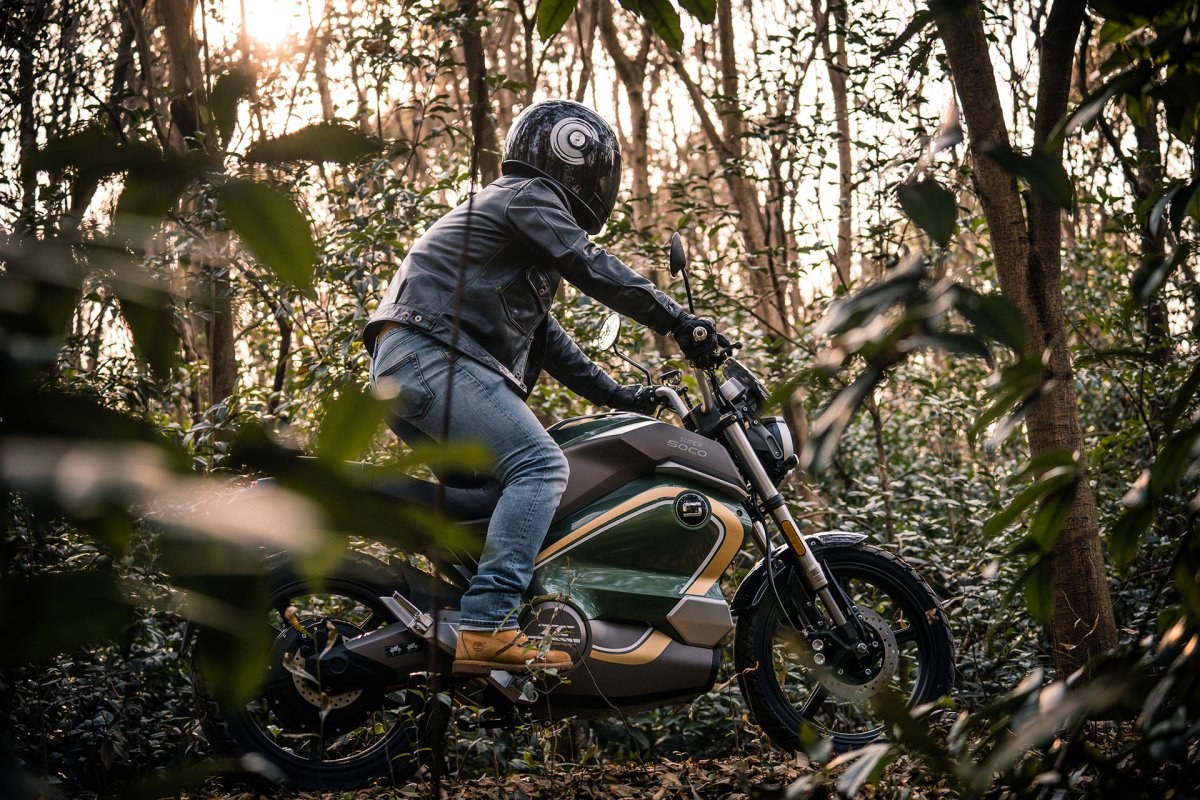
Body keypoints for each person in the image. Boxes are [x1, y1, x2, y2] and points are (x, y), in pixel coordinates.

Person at [363, 99, 726, 676]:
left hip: (410, 365)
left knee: (485, 509)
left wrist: (622, 397)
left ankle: (459, 632)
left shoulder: (516, 233)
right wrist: (681, 322)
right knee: (540, 467)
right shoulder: (526, 196)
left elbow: (549, 342)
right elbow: (592, 265)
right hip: (432, 357)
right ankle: (487, 624)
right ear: (575, 158)